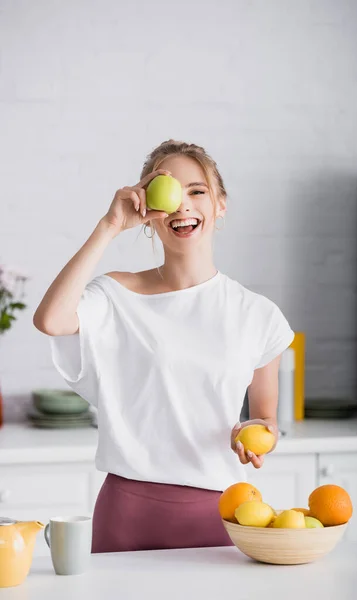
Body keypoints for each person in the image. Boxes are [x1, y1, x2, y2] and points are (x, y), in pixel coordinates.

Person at [33, 140, 295, 552]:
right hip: (127, 514)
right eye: (169, 192)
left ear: (220, 204)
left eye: (197, 191)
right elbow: (50, 320)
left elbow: (265, 419)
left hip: (222, 515)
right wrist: (109, 225)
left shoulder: (258, 315)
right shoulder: (116, 294)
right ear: (148, 211)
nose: (182, 206)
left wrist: (256, 430)